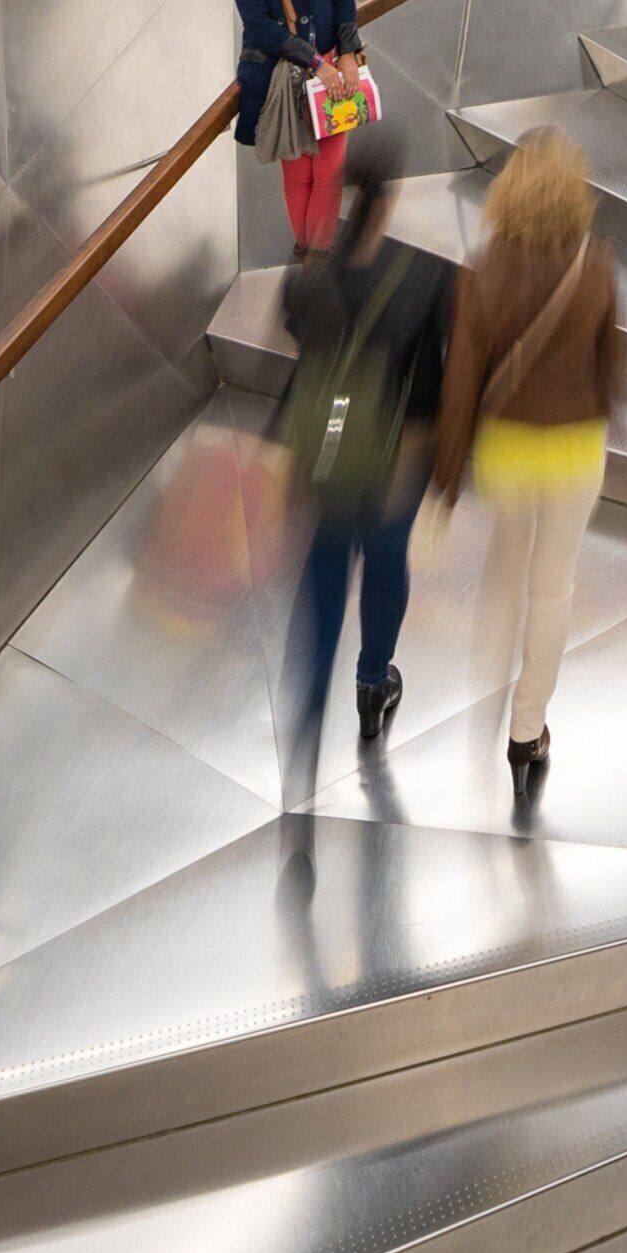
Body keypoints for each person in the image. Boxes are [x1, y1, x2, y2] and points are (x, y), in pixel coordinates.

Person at [430, 130, 624, 785]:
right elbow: (610, 363)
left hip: (510, 448)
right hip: (573, 451)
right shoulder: (594, 265)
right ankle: (525, 730)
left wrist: (447, 481)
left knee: (504, 572)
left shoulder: (483, 270)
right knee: (554, 588)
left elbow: (460, 384)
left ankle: (482, 713)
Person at [277, 136, 451, 774]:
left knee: (323, 578)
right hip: (394, 458)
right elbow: (436, 378)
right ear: (395, 195)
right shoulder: (428, 275)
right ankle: (372, 685)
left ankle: (309, 713)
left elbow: (302, 353)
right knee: (384, 564)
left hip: (327, 453)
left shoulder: (314, 278)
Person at [230, 0, 367, 254]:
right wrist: (315, 62)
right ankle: (310, 261)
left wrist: (346, 52)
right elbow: (257, 24)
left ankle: (316, 262)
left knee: (329, 170)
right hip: (286, 72)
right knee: (299, 172)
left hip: (330, 64)